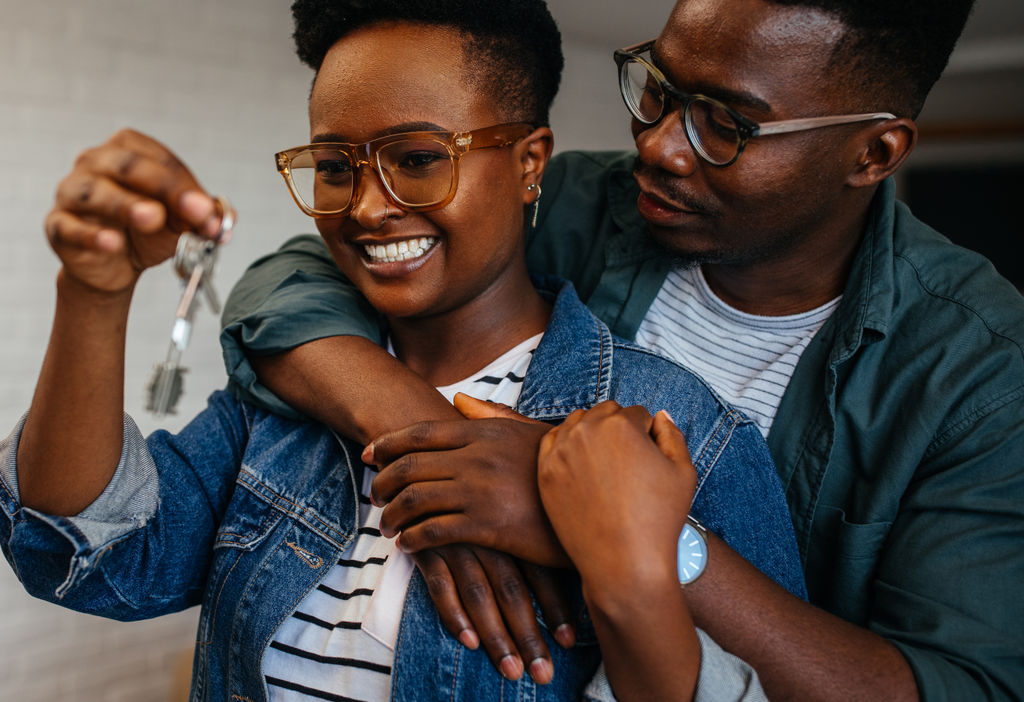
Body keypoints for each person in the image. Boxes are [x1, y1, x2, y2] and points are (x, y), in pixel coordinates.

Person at [0, 0, 806, 699]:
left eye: (416, 160)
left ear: (528, 164)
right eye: (335, 167)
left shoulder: (681, 432)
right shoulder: (282, 409)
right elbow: (93, 551)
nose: (368, 208)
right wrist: (92, 295)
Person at [216, 0, 1024, 699]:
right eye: (659, 88)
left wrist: (632, 535)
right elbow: (286, 282)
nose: (659, 146)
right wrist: (424, 431)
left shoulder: (978, 372)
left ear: (874, 153)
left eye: (726, 125)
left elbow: (956, 688)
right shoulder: (574, 205)